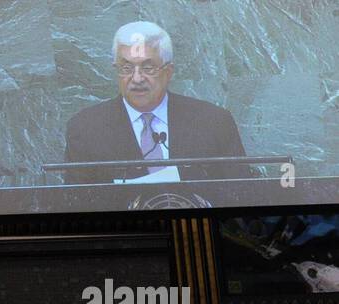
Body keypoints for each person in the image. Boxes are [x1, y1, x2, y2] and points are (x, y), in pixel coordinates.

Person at [63, 21, 248, 185]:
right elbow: (77, 203)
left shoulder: (213, 121)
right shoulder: (85, 129)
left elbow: (241, 193)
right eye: (126, 68)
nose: (136, 78)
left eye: (148, 67)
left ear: (168, 72)